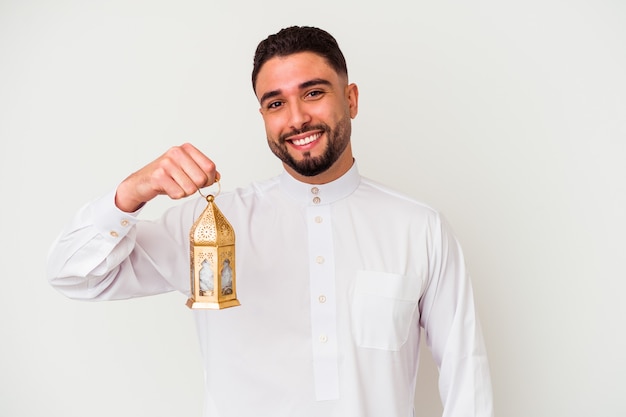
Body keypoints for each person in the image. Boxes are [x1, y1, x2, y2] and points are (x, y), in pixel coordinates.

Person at [47, 26, 493, 417]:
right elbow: (72, 275)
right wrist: (133, 192)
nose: (296, 118)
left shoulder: (419, 228)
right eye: (275, 102)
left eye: (314, 93)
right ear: (262, 115)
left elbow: (465, 375)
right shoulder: (209, 226)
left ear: (351, 99)